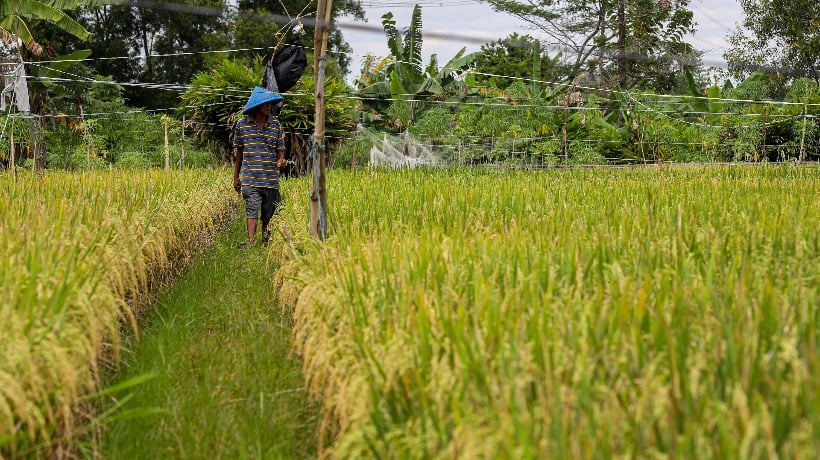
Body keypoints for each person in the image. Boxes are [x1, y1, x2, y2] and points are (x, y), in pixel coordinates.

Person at [233, 86, 287, 247]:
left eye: (270, 104)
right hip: (250, 179)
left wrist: (281, 161)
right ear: (256, 106)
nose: (269, 106)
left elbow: (280, 151)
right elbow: (239, 154)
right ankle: (250, 242)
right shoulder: (242, 125)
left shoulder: (276, 125)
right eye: (265, 104)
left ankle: (265, 240)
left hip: (270, 179)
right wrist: (236, 177)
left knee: (269, 214)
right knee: (252, 207)